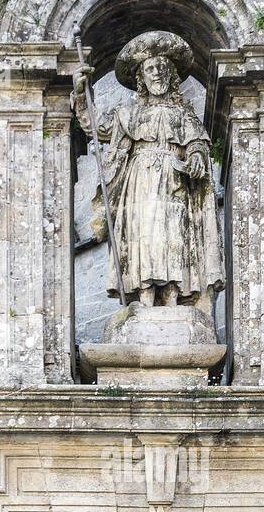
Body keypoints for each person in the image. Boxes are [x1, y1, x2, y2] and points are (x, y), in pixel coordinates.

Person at [73, 30, 224, 312]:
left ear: (171, 75)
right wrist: (82, 95)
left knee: (173, 239)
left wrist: (195, 157)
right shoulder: (127, 114)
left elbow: (198, 144)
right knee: (143, 238)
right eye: (150, 69)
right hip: (139, 183)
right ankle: (142, 299)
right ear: (141, 77)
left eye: (162, 68)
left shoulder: (184, 114)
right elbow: (97, 127)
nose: (157, 74)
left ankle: (172, 299)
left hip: (175, 182)